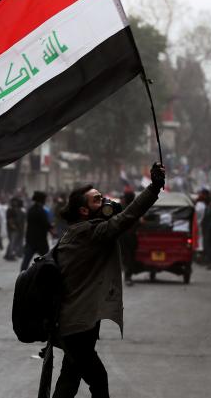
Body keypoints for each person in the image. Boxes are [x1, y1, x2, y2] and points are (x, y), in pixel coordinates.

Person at [52, 163, 165, 398]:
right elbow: (127, 218)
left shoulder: (80, 230)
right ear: (84, 211)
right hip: (77, 326)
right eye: (97, 200)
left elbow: (121, 215)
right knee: (98, 381)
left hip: (78, 323)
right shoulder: (89, 233)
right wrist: (153, 188)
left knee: (69, 380)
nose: (104, 203)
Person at [21, 191, 52, 271]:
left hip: (31, 239)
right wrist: (51, 229)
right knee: (48, 260)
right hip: (40, 240)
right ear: (42, 200)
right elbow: (45, 224)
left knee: (26, 261)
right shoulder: (41, 211)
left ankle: (21, 276)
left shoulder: (31, 210)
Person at [118, 190, 138, 286]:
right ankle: (127, 276)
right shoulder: (136, 209)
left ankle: (126, 275)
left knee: (124, 257)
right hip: (130, 237)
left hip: (122, 237)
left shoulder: (121, 208)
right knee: (129, 257)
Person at [5, 197, 27, 261]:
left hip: (15, 228)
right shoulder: (10, 210)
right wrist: (13, 226)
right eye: (14, 202)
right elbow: (10, 220)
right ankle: (10, 255)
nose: (15, 203)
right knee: (12, 242)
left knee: (12, 242)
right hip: (12, 229)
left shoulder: (14, 209)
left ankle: (9, 254)